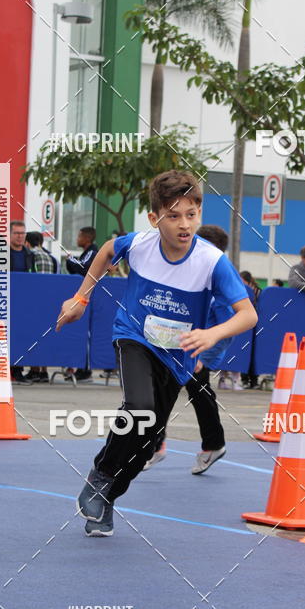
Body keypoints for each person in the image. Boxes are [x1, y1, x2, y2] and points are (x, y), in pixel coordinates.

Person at [56, 169, 257, 537]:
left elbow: (248, 314)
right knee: (139, 408)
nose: (184, 224)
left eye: (192, 214)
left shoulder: (211, 261)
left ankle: (107, 497)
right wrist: (82, 297)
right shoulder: (141, 245)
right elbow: (105, 250)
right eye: (174, 215)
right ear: (154, 218)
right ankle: (100, 474)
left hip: (174, 357)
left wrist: (213, 334)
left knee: (148, 443)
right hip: (134, 337)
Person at [144, 224, 235, 474]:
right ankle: (211, 445)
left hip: (196, 350)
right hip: (181, 344)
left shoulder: (220, 280)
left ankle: (155, 446)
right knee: (196, 396)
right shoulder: (193, 273)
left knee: (168, 395)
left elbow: (229, 326)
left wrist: (205, 357)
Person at [65, 226, 99, 381]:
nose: (77, 239)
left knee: (88, 333)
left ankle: (85, 370)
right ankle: (80, 368)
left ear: (87, 238)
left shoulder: (92, 251)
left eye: (79, 236)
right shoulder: (87, 252)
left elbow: (83, 268)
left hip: (92, 299)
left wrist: (70, 259)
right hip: (85, 298)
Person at [24, 231, 57, 382]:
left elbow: (30, 275)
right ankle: (44, 371)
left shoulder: (30, 254)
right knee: (44, 335)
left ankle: (35, 370)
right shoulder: (51, 257)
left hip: (34, 299)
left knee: (33, 335)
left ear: (27, 242)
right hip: (49, 300)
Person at [9, 220, 35, 383]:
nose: (20, 237)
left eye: (22, 233)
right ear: (10, 234)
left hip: (24, 302)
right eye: (17, 233)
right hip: (5, 300)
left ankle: (18, 370)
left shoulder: (30, 254)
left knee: (21, 336)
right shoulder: (0, 253)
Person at [239, 271, 260, 388]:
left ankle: (254, 380)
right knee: (244, 352)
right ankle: (245, 379)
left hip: (257, 328)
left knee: (254, 354)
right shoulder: (239, 290)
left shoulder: (257, 291)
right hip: (246, 327)